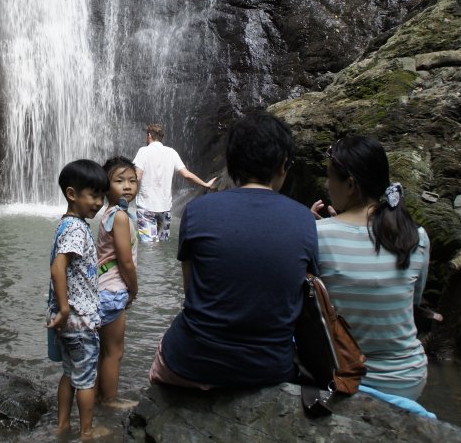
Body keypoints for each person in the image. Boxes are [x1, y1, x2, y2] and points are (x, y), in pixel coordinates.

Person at [149, 112, 318, 388]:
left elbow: (191, 292)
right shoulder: (305, 220)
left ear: (231, 163)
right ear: (283, 165)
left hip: (192, 362)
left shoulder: (197, 211)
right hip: (270, 368)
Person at [312, 135, 431, 401]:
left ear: (350, 184)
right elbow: (413, 303)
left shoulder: (317, 235)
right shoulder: (416, 236)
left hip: (345, 376)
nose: (327, 184)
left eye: (330, 176)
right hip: (408, 377)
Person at [46, 159, 108, 438]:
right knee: (86, 380)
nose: (98, 203)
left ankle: (62, 425)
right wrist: (64, 307)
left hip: (68, 318)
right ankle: (86, 431)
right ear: (72, 194)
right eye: (93, 195)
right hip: (78, 319)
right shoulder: (76, 229)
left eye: (102, 196)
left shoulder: (67, 224)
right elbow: (58, 265)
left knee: (70, 374)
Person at [94, 156, 139, 408]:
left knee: (105, 351)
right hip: (113, 290)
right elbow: (126, 262)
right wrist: (134, 288)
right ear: (105, 186)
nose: (127, 186)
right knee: (115, 351)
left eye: (132, 180)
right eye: (119, 180)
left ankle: (101, 396)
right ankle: (110, 400)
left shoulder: (109, 214)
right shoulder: (120, 217)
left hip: (103, 289)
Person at [132, 122, 217, 242]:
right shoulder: (171, 152)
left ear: (150, 135)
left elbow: (137, 177)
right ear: (162, 137)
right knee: (161, 243)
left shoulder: (143, 151)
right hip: (165, 207)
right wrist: (206, 184)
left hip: (146, 207)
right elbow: (187, 175)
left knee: (148, 244)